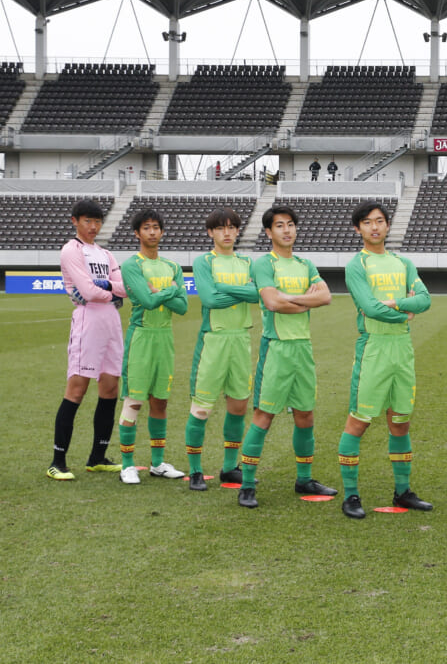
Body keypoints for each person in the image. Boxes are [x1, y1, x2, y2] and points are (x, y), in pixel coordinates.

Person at [338, 202, 433, 519]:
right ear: (358, 229)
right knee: (359, 420)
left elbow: (425, 300)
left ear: (388, 226)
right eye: (367, 222)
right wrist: (404, 311)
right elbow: (368, 307)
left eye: (380, 221)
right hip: (373, 349)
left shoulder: (403, 262)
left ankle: (403, 491)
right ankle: (351, 496)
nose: (374, 227)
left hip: (402, 350)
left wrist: (401, 302)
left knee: (400, 420)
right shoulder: (357, 265)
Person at [237, 205, 336, 508]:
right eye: (279, 225)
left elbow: (326, 296)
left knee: (305, 415)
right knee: (263, 415)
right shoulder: (263, 264)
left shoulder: (305, 263)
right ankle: (248, 484)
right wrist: (306, 302)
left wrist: (290, 298)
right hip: (276, 347)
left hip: (302, 349)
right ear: (268, 232)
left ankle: (304, 478)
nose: (286, 230)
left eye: (291, 224)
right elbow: (271, 302)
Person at [48, 199, 127, 480]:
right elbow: (87, 292)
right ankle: (57, 462)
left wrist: (107, 288)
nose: (93, 227)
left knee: (110, 388)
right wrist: (111, 292)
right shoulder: (72, 250)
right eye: (87, 221)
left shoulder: (105, 254)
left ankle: (97, 457)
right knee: (77, 389)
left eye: (97, 222)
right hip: (87, 321)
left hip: (111, 323)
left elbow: (124, 287)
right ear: (75, 221)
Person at [184, 207, 260, 491]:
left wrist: (223, 287)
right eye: (220, 228)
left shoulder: (247, 262)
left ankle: (229, 468)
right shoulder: (204, 261)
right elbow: (209, 299)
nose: (227, 233)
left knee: (238, 406)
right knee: (201, 409)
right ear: (210, 232)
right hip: (213, 340)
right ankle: (194, 471)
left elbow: (258, 294)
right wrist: (239, 291)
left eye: (231, 227)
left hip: (241, 339)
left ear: (238, 231)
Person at [117, 209, 189, 484]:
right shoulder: (132, 265)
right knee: (134, 401)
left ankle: (158, 463)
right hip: (142, 337)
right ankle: (127, 464)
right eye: (146, 227)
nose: (152, 232)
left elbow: (182, 307)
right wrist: (169, 291)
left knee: (160, 401)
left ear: (162, 232)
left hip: (165, 338)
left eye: (156, 227)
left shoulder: (172, 267)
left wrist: (159, 292)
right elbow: (146, 303)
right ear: (137, 233)